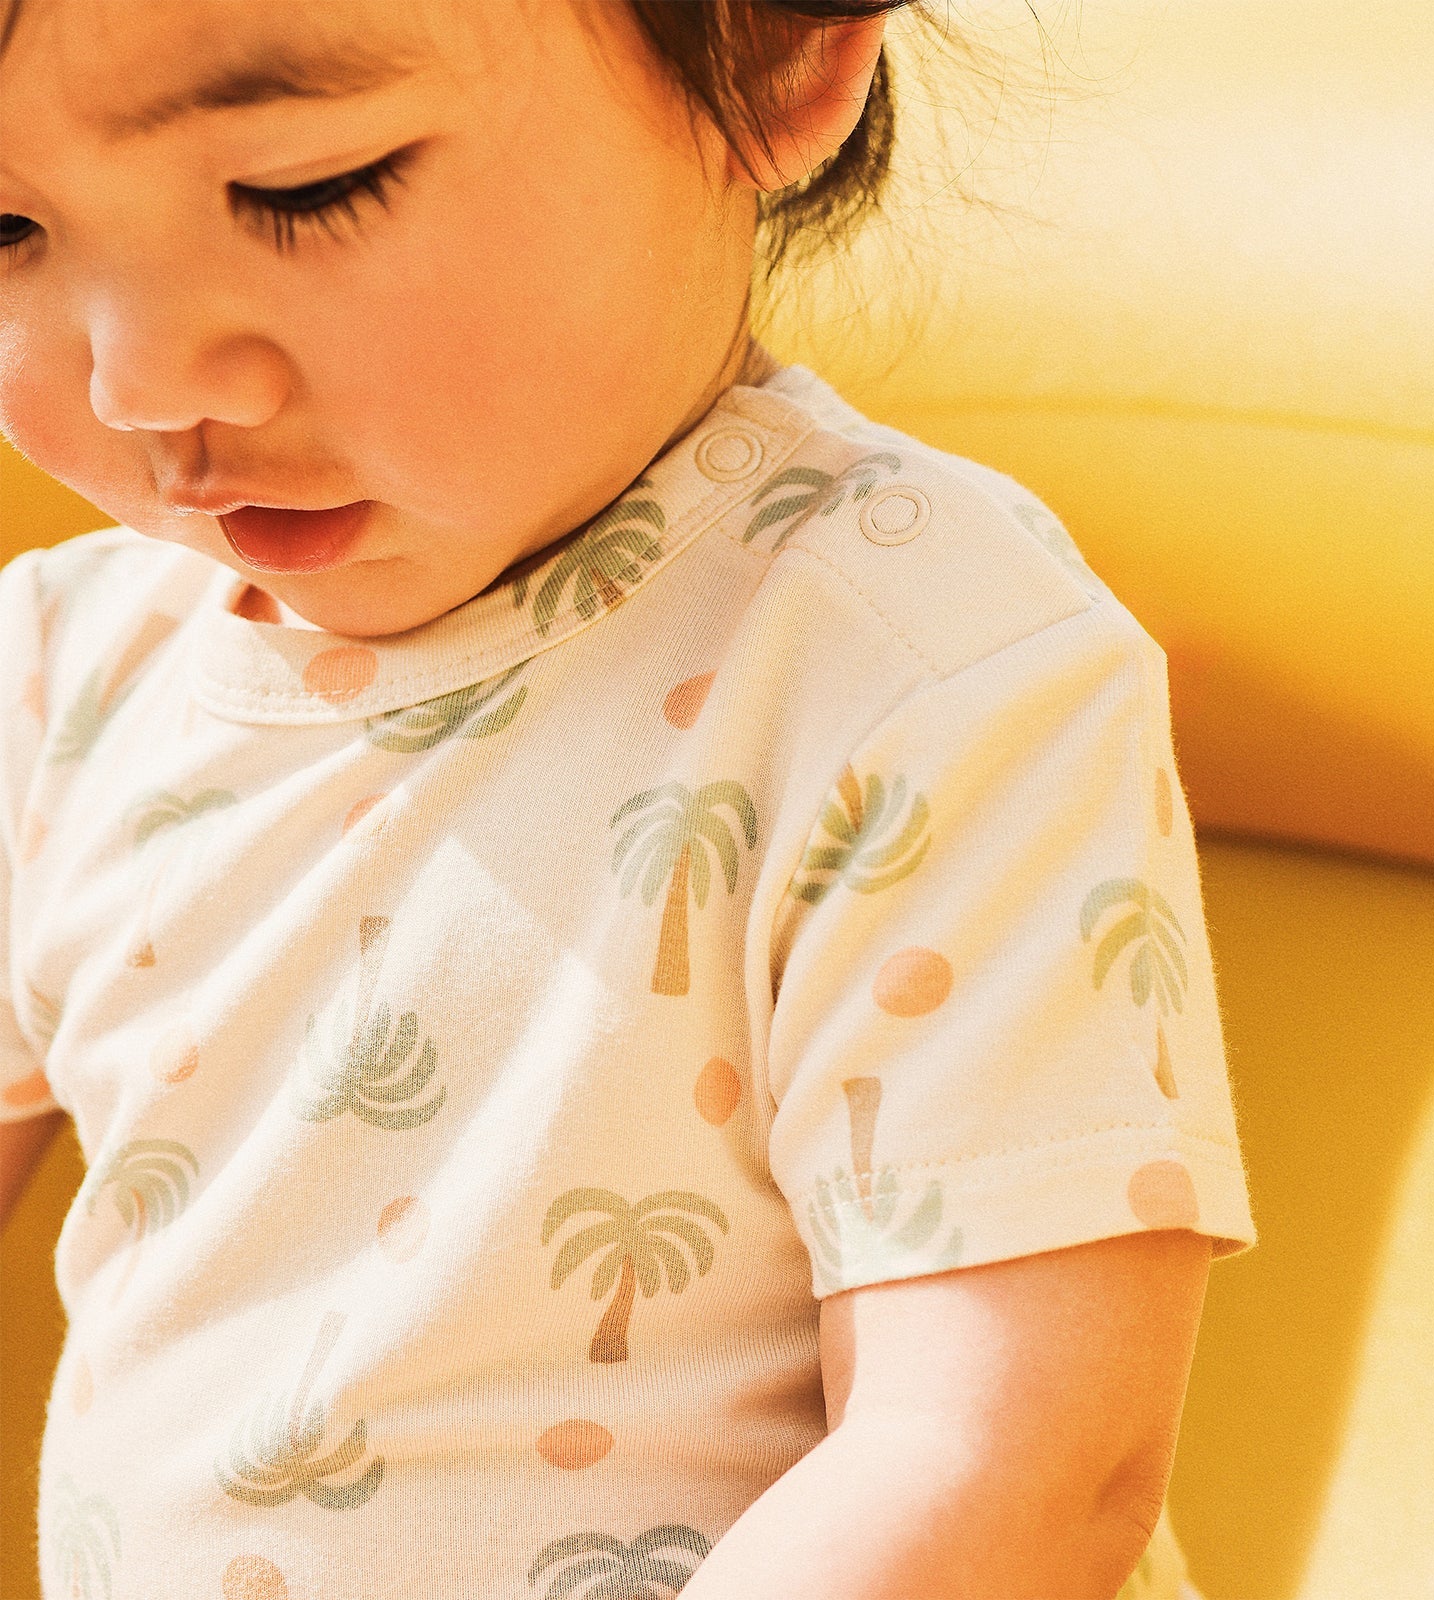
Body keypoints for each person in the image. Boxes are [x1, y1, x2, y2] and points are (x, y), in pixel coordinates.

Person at [0, 1, 1256, 1594]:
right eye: (6, 230)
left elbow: (1010, 1461)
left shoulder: (928, 662)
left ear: (771, 55)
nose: (141, 380)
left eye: (307, 191)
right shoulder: (59, 679)